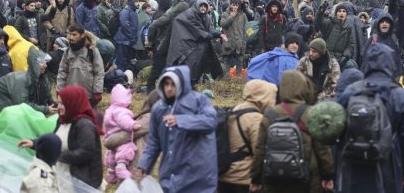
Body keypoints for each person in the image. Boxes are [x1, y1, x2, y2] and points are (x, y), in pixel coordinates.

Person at [336, 43, 404, 193]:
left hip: (353, 166)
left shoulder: (351, 91)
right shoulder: (400, 96)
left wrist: (336, 168)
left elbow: (337, 132)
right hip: (388, 165)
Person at [250, 70, 334, 193]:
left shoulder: (270, 115)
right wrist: (328, 176)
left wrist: (255, 179)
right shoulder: (312, 114)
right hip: (308, 180)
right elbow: (323, 150)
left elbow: (260, 150)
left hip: (275, 179)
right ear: (304, 87)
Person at [137, 65, 218, 193]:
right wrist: (144, 165)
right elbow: (154, 141)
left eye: (173, 84)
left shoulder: (198, 101)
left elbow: (210, 121)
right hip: (170, 174)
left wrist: (181, 120)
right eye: (166, 84)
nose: (169, 88)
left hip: (197, 174)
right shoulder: (159, 108)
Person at [19, 86, 104, 190]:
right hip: (62, 179)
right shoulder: (62, 121)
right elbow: (54, 142)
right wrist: (34, 143)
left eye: (62, 103)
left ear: (72, 103)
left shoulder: (84, 125)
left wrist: (58, 155)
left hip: (79, 183)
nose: (58, 106)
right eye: (58, 102)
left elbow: (86, 152)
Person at [219, 80, 278, 193]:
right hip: (243, 179)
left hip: (224, 175)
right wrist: (258, 179)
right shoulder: (255, 119)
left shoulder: (233, 110)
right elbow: (259, 152)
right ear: (263, 96)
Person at [0, 48, 55, 127]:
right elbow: (22, 105)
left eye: (45, 63)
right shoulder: (22, 80)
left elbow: (47, 97)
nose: (45, 65)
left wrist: (57, 105)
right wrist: (45, 109)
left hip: (9, 115)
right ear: (34, 64)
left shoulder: (40, 80)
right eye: (42, 63)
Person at [166, 0, 224, 86]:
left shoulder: (206, 17)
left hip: (198, 46)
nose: (203, 8)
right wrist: (209, 35)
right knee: (190, 65)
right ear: (197, 6)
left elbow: (210, 30)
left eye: (205, 6)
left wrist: (219, 34)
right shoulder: (190, 14)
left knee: (200, 65)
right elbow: (197, 31)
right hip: (187, 45)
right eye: (201, 6)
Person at [145, 0, 189, 92]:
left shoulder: (185, 17)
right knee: (157, 69)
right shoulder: (170, 15)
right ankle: (151, 91)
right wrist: (151, 43)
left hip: (175, 47)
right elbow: (153, 26)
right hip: (163, 45)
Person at [57, 24, 105, 106]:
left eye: (74, 35)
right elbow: (62, 72)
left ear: (82, 35)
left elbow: (99, 72)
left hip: (87, 96)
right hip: (70, 95)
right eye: (70, 34)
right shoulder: (67, 52)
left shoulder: (92, 51)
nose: (71, 38)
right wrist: (59, 90)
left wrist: (97, 91)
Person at [103, 84, 140, 183]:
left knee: (113, 155)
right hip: (121, 138)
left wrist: (106, 136)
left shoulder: (110, 110)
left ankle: (111, 173)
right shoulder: (121, 111)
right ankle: (121, 168)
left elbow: (106, 126)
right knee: (125, 151)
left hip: (111, 138)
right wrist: (133, 124)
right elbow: (124, 121)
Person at [316, 2, 356, 68]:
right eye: (339, 11)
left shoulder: (349, 28)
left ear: (346, 14)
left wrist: (345, 56)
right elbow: (318, 22)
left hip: (340, 58)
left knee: (352, 65)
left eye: (344, 11)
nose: (341, 13)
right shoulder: (329, 23)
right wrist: (321, 10)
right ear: (336, 13)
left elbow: (351, 44)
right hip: (326, 56)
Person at [220, 0, 248, 76]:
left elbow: (246, 30)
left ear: (239, 6)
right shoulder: (225, 14)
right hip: (228, 43)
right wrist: (231, 16)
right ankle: (226, 82)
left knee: (240, 64)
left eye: (237, 5)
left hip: (239, 43)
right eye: (233, 4)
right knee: (226, 66)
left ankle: (238, 81)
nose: (235, 6)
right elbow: (223, 24)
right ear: (230, 5)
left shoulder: (243, 15)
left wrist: (244, 43)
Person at [114, 0, 139, 72]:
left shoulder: (133, 11)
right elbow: (125, 25)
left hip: (127, 40)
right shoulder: (126, 11)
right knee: (121, 61)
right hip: (123, 40)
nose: (138, 3)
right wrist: (132, 37)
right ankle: (119, 78)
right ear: (131, 2)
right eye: (136, 2)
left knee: (126, 61)